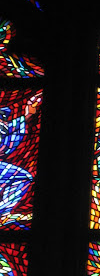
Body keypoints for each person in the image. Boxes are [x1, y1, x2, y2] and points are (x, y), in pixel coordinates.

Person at [0, 91, 41, 222]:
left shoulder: (4, 129)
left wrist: (28, 113)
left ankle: (3, 212)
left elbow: (14, 129)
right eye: (2, 117)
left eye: (4, 118)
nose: (4, 121)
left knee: (22, 177)